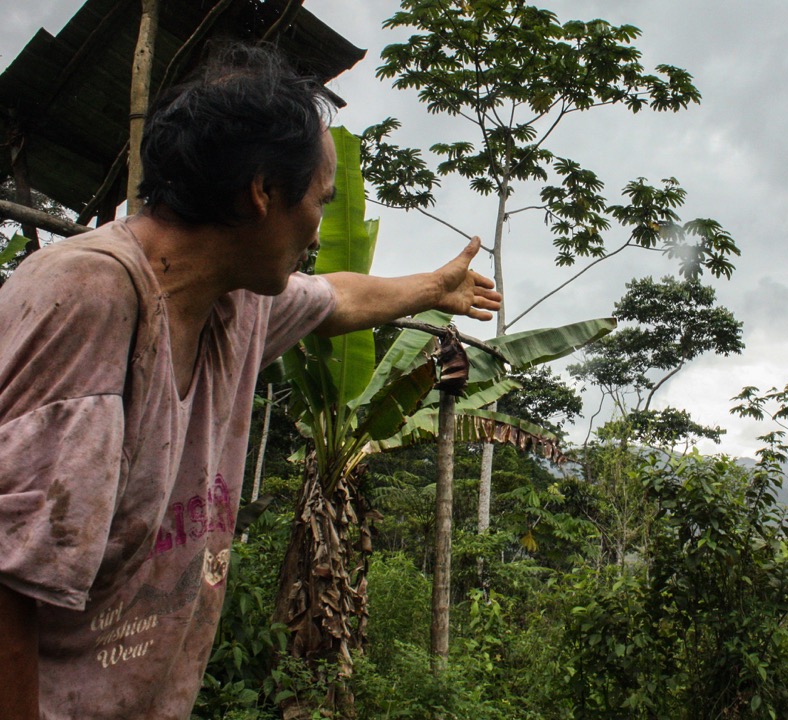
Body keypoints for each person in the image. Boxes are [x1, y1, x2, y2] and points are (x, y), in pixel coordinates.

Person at [0, 42, 500, 719]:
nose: (321, 230)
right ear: (264, 191)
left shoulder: (238, 303)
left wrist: (431, 289)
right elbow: (8, 579)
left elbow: (338, 299)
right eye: (319, 202)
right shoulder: (90, 296)